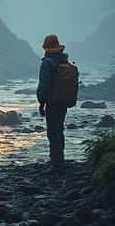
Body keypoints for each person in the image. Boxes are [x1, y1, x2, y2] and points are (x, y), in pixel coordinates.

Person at [36, 33, 70, 168]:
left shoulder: (47, 63)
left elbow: (44, 85)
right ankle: (60, 158)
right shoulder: (64, 61)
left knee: (52, 131)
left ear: (46, 48)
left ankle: (56, 162)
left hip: (52, 102)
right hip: (64, 100)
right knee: (59, 129)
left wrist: (41, 103)